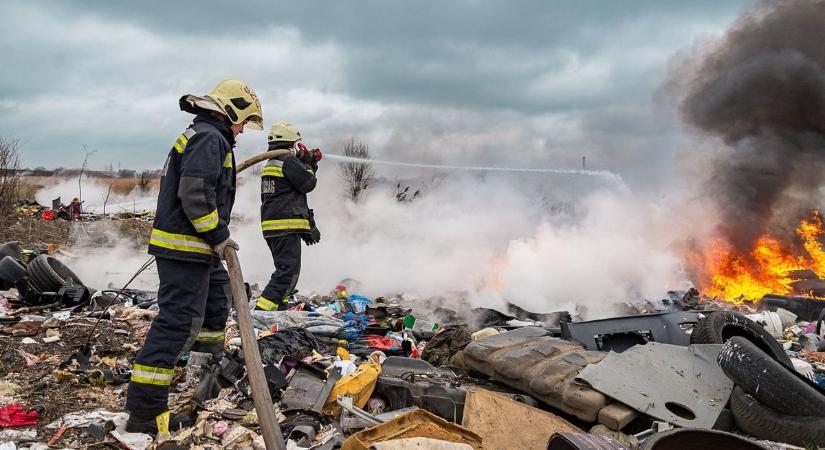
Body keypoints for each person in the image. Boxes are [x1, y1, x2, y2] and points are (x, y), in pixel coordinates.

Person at [125, 79, 263, 434]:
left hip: (196, 250)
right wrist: (219, 236)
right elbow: (196, 193)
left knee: (217, 303)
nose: (242, 130)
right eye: (242, 121)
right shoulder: (209, 137)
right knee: (177, 324)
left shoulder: (207, 134)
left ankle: (203, 374)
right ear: (230, 110)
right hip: (185, 248)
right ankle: (145, 413)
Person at [255, 122, 321, 312]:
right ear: (293, 143)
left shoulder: (273, 162)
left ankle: (276, 306)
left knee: (287, 271)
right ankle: (262, 312)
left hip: (274, 227)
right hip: (284, 226)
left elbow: (291, 194)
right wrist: (309, 163)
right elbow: (308, 183)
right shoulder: (287, 160)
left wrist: (308, 224)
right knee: (287, 273)